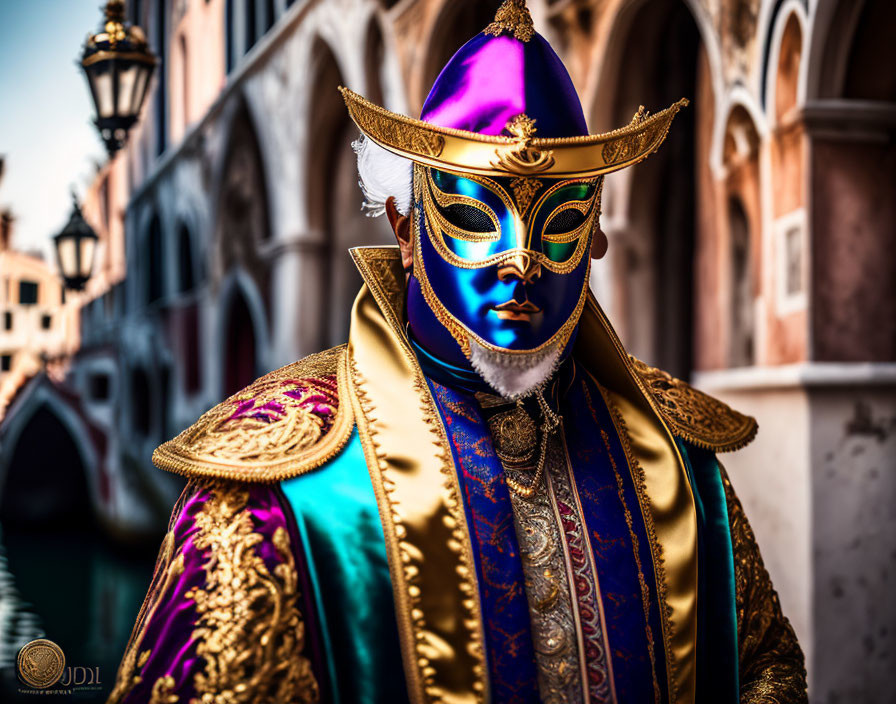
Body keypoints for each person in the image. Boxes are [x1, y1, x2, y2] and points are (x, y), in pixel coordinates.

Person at [107, 1, 807, 702]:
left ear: (595, 238)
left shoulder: (678, 461)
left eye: (559, 222)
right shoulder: (276, 493)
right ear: (405, 231)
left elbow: (765, 669)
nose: (521, 261)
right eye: (475, 217)